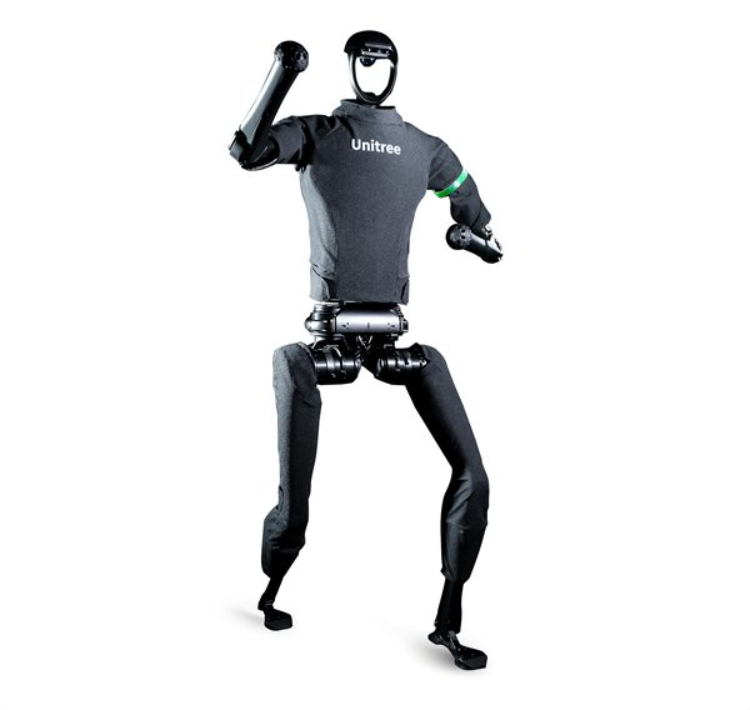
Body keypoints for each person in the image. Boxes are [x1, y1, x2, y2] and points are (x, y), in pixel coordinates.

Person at [229, 31, 502, 670]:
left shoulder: (421, 147)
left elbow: (474, 213)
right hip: (327, 339)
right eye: (366, 62)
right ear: (353, 68)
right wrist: (283, 73)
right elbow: (249, 151)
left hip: (392, 337)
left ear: (392, 71)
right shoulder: (324, 134)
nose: (373, 72)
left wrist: (474, 238)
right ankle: (273, 586)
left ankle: (449, 620)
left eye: (381, 63)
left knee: (474, 473)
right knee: (291, 379)